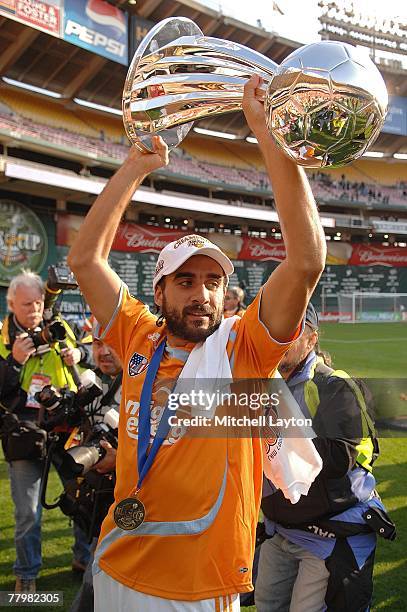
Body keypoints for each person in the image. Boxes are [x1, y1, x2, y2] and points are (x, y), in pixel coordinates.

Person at [67, 74, 326, 611]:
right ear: (158, 291)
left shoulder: (245, 349)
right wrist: (137, 164)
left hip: (200, 582)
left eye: (213, 283)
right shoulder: (137, 333)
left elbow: (305, 261)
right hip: (120, 558)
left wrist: (270, 137)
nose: (201, 294)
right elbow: (85, 260)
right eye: (185, 282)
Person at [255, 303, 395, 612]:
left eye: (292, 331)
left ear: (311, 339)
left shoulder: (335, 385)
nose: (280, 339)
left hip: (330, 531)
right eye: (275, 331)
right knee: (267, 605)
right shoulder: (260, 382)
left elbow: (336, 458)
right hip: (279, 528)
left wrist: (270, 435)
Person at [0, 271, 91, 593]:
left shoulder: (60, 325)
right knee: (27, 511)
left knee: (82, 499)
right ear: (11, 304)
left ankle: (84, 559)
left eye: (39, 302)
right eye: (26, 305)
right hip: (24, 431)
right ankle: (27, 573)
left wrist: (79, 355)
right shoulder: (2, 336)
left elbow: (93, 355)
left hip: (66, 425)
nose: (35, 310)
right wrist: (13, 360)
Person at [70, 329, 122, 612]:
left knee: (95, 585)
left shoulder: (154, 386)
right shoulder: (100, 383)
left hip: (137, 512)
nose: (103, 351)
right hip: (103, 504)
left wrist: (122, 459)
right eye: (98, 343)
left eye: (111, 343)